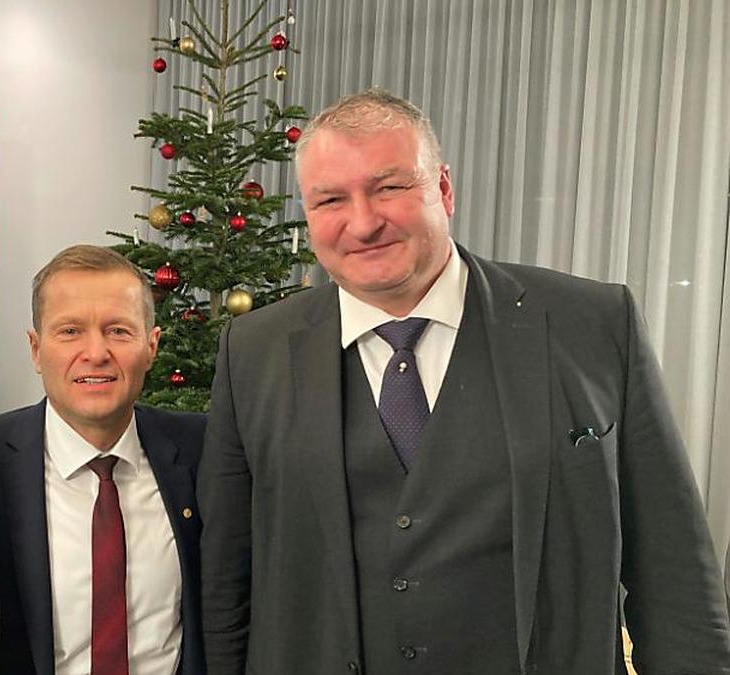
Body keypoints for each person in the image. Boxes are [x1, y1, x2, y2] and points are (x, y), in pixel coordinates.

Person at [198, 87, 730, 674]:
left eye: (389, 187)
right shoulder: (253, 351)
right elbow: (228, 576)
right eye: (330, 200)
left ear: (444, 189)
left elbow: (671, 565)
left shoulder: (592, 325)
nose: (364, 222)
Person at [0, 245, 206, 674]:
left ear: (151, 346)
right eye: (70, 331)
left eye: (118, 331)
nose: (96, 353)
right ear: (36, 350)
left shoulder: (203, 452)